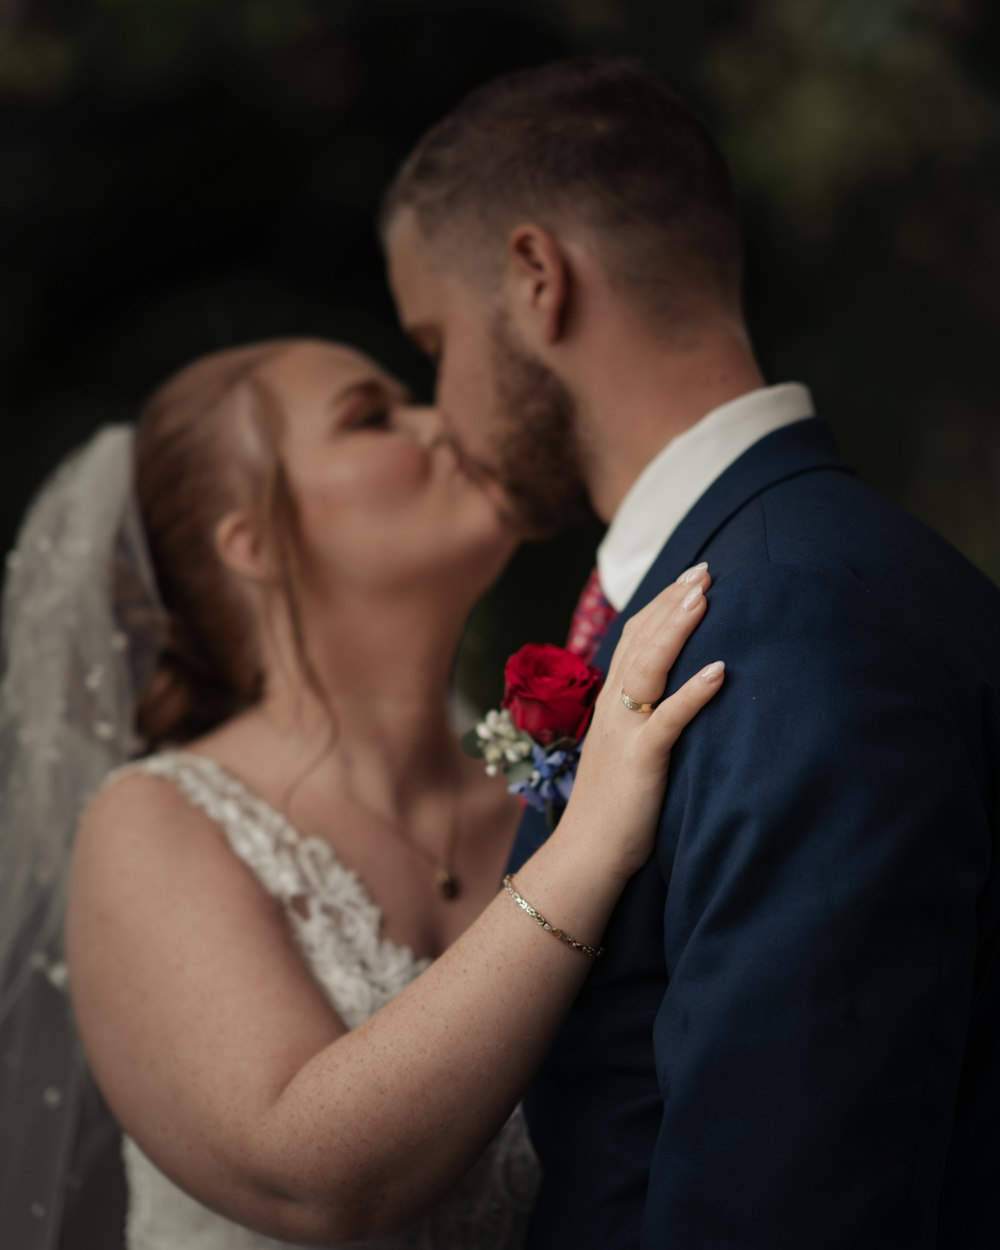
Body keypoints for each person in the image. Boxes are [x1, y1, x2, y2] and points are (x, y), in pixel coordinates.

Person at [382, 56, 1000, 1249]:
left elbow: (790, 1201)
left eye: (433, 338)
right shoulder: (753, 580)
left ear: (533, 278)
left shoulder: (801, 619)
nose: (442, 409)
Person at [0, 337, 724, 1249]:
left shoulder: (557, 788)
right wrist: (590, 847)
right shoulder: (152, 824)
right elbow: (311, 1184)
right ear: (252, 544)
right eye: (371, 417)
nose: (439, 422)